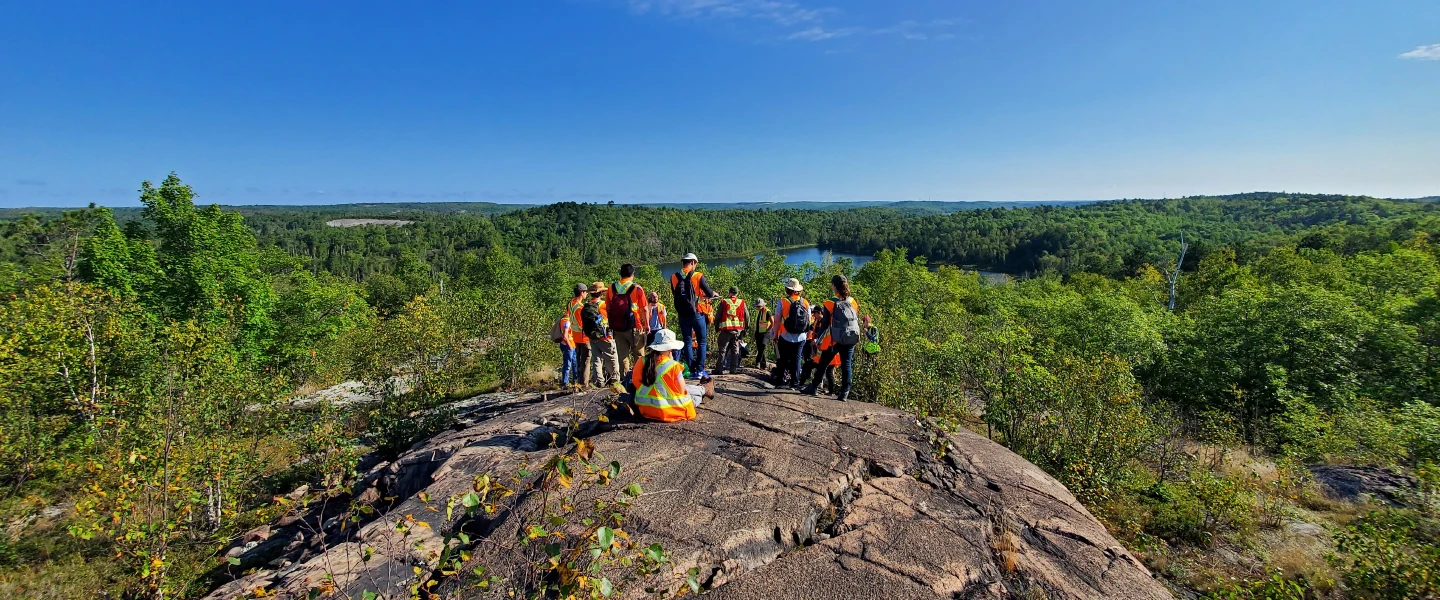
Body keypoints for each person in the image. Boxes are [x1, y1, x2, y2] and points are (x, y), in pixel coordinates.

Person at [631, 329, 715, 422]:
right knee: (693, 397)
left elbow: (636, 382)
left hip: (645, 409)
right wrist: (672, 361)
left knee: (676, 387)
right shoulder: (673, 366)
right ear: (670, 348)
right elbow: (682, 390)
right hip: (670, 411)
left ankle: (703, 388)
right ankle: (704, 389)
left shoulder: (641, 361)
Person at [803, 275, 862, 402]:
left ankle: (813, 387)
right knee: (847, 364)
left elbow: (824, 325)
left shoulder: (830, 303)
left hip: (834, 339)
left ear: (835, 286)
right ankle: (844, 392)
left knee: (823, 363)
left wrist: (817, 340)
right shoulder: (853, 302)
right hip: (850, 337)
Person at [669, 253, 718, 377]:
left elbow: (675, 293)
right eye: (695, 263)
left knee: (687, 341)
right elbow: (709, 293)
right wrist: (713, 294)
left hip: (682, 314)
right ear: (692, 262)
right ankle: (700, 370)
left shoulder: (674, 277)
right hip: (696, 314)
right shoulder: (698, 276)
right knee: (702, 341)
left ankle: (691, 370)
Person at [606, 264, 650, 374]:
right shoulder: (637, 288)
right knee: (639, 356)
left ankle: (625, 382)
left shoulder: (611, 288)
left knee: (623, 357)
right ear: (632, 274)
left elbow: (607, 308)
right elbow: (644, 309)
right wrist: (647, 325)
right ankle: (641, 382)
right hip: (635, 326)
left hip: (617, 328)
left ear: (621, 274)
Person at [771, 278, 811, 388]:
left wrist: (775, 335)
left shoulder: (783, 301)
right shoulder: (805, 302)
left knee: (783, 359)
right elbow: (809, 320)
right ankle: (795, 383)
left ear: (787, 289)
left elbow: (777, 320)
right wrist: (807, 335)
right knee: (797, 359)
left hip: (785, 335)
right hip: (801, 336)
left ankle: (780, 382)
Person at [583, 282, 622, 388]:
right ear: (601, 293)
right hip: (605, 336)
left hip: (592, 336)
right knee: (612, 358)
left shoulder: (587, 305)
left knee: (597, 359)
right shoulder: (603, 305)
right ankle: (615, 381)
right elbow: (610, 319)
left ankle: (599, 381)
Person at [714, 287, 747, 375]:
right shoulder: (742, 302)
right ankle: (733, 369)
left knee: (723, 350)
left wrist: (717, 328)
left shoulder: (724, 302)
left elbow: (717, 316)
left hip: (726, 330)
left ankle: (719, 369)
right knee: (735, 350)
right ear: (737, 293)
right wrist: (744, 330)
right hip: (737, 330)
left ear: (729, 293)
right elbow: (747, 317)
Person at [566, 283, 593, 387]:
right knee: (586, 361)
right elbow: (582, 324)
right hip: (584, 338)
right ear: (582, 293)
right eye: (586, 292)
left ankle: (576, 381)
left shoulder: (571, 303)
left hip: (575, 337)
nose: (586, 294)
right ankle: (584, 384)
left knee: (578, 360)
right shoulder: (580, 308)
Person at [553, 313, 578, 389]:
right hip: (568, 345)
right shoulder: (567, 321)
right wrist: (570, 346)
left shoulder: (563, 319)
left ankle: (575, 381)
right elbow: (565, 336)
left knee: (574, 364)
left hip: (570, 345)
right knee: (568, 365)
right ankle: (565, 383)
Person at [752, 298, 772, 370]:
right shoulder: (759, 312)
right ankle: (763, 365)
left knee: (762, 347)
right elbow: (757, 324)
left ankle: (757, 362)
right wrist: (754, 334)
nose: (757, 307)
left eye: (758, 306)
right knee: (760, 348)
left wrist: (768, 330)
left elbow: (772, 322)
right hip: (758, 333)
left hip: (765, 333)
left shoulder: (767, 312)